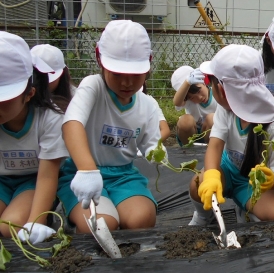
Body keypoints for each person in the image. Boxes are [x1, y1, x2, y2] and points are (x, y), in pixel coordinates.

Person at [57, 20, 165, 233]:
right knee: (102, 225)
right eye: (117, 74)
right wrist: (87, 169)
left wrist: (156, 152)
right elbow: (72, 123)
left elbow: (151, 144)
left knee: (141, 220)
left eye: (134, 75)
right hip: (83, 171)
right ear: (100, 61)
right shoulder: (93, 87)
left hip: (123, 175)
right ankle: (73, 212)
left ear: (148, 65)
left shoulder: (147, 105)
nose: (126, 83)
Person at [188, 44, 274, 225]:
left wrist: (270, 181)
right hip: (227, 171)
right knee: (198, 182)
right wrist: (212, 175)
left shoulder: (273, 129)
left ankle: (243, 207)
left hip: (252, 184)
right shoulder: (225, 111)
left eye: (210, 82)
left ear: (221, 89)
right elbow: (215, 146)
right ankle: (204, 217)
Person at [0, 32, 68, 244]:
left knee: (10, 226)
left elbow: (48, 175)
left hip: (33, 181)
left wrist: (35, 222)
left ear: (29, 93)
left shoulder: (50, 119)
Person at [171, 65, 216, 145]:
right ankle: (187, 151)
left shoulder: (216, 94)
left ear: (203, 82)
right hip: (192, 134)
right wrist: (187, 82)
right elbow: (177, 102)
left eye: (199, 91)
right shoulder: (187, 101)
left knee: (212, 118)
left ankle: (210, 149)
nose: (199, 97)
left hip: (211, 134)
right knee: (185, 121)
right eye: (192, 97)